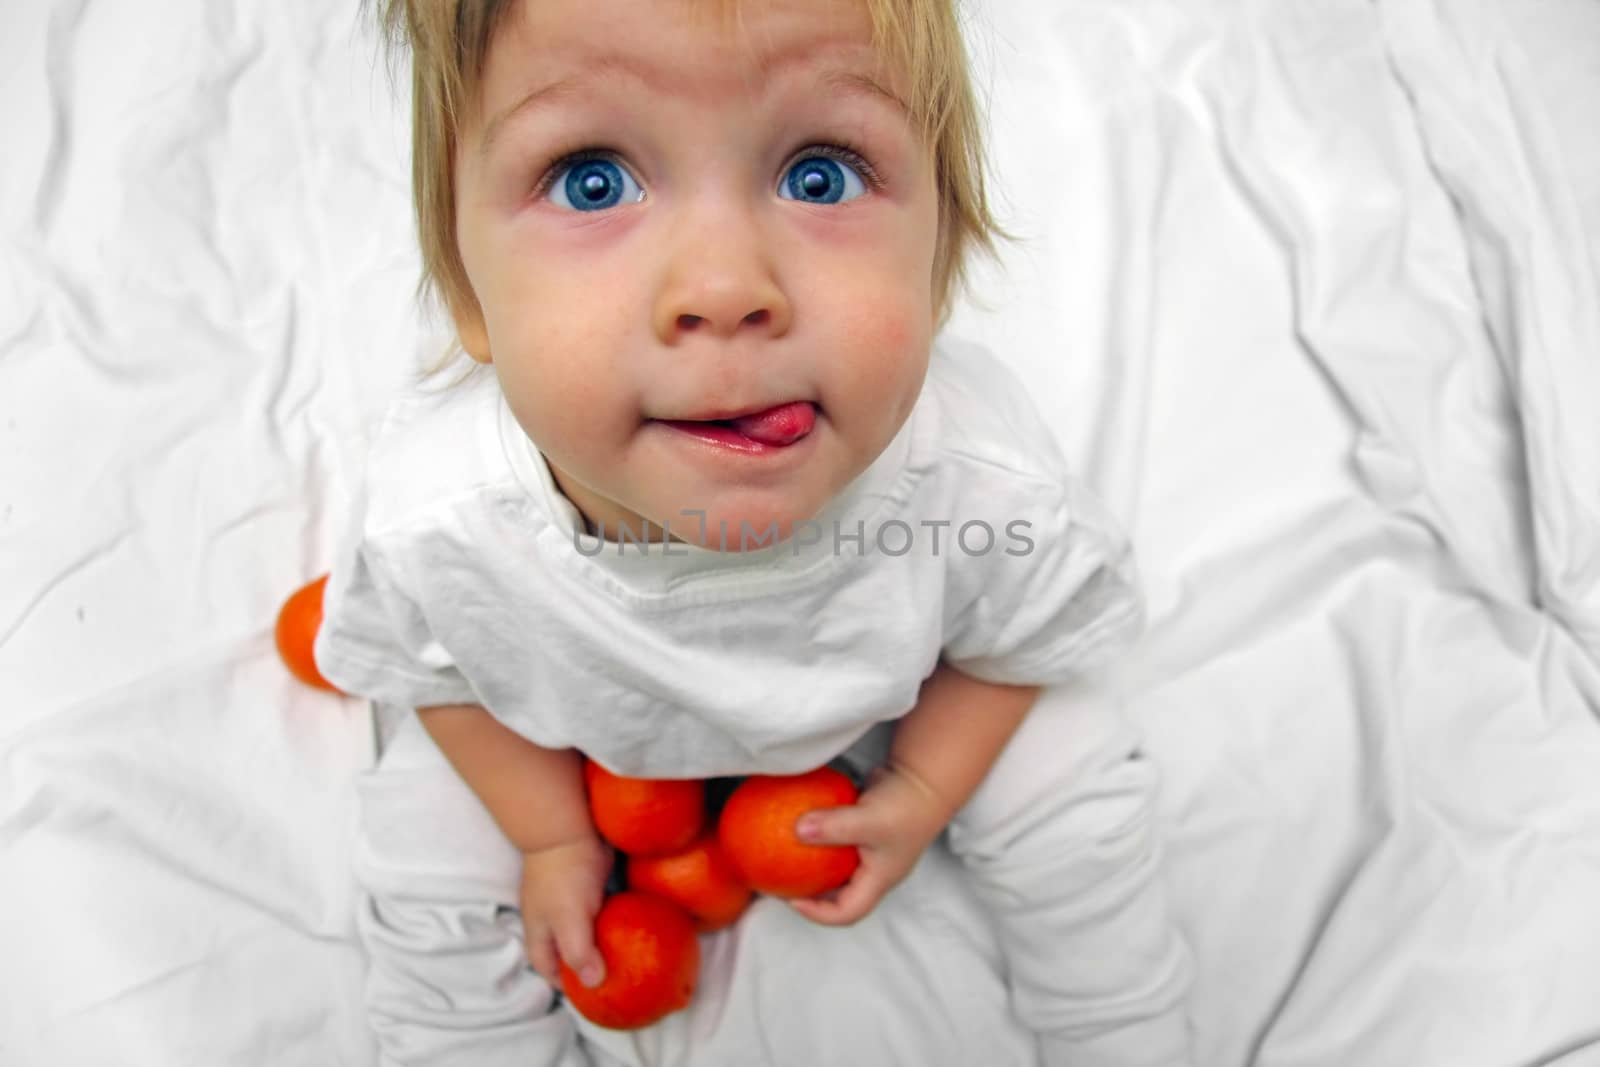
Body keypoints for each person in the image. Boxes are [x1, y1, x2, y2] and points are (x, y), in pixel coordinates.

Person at [316, 0, 1194, 1063]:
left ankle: (1128, 1036)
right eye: (593, 180)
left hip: (874, 708)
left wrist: (923, 786)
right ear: (466, 289)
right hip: (573, 735)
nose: (726, 290)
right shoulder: (438, 521)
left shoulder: (979, 485)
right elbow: (438, 678)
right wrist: (552, 833)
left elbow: (1023, 639)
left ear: (941, 253)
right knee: (420, 841)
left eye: (818, 174)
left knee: (1075, 761)